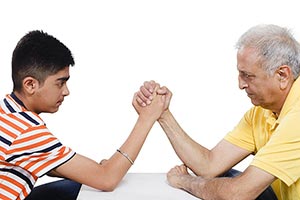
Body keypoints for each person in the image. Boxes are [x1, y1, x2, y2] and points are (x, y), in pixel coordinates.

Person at [136, 24, 300, 199]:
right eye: (240, 74)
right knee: (223, 178)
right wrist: (163, 114)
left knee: (233, 187)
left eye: (248, 76)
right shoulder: (260, 114)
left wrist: (184, 181)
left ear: (282, 75)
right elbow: (209, 166)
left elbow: (238, 193)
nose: (241, 84)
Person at [0, 30, 166, 200]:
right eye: (60, 83)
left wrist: (96, 170)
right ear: (30, 85)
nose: (66, 91)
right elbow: (106, 179)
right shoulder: (25, 131)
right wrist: (147, 118)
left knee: (78, 185)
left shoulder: (7, 111)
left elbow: (51, 164)